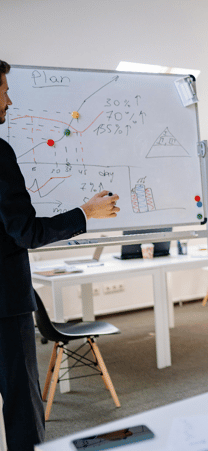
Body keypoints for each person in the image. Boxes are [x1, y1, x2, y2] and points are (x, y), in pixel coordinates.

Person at [0, 59, 120, 451]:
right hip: (4, 304)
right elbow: (26, 231)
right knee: (21, 405)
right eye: (3, 91)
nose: (9, 100)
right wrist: (86, 213)